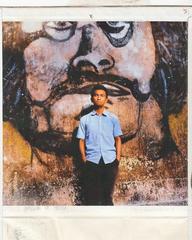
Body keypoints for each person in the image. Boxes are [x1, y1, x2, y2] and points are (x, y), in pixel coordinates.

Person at [76, 84, 122, 205]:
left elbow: (118, 139)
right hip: (92, 162)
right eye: (96, 95)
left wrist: (117, 159)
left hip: (110, 161)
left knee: (107, 196)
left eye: (102, 95)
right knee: (93, 197)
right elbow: (81, 140)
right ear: (92, 98)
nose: (98, 98)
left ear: (106, 99)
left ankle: (109, 223)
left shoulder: (113, 119)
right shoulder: (85, 119)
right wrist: (84, 159)